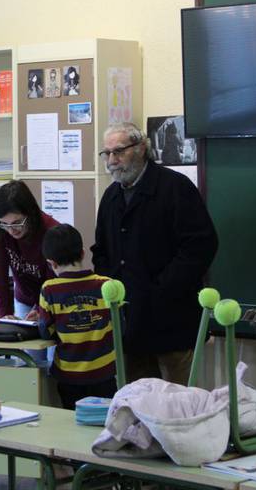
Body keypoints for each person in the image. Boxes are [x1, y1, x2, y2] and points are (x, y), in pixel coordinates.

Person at [91, 122, 218, 385]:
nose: (112, 160)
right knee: (138, 406)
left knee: (180, 406)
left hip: (174, 321)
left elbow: (200, 246)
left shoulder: (175, 187)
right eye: (107, 153)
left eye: (119, 152)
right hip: (130, 326)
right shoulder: (111, 197)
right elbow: (101, 250)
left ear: (140, 148)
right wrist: (111, 284)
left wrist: (158, 289)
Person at [39, 224, 117, 409]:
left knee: (73, 421)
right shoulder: (107, 285)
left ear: (52, 263)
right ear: (83, 253)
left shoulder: (49, 289)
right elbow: (120, 326)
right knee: (104, 422)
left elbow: (46, 332)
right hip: (104, 373)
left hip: (69, 375)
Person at [0, 180, 59, 319]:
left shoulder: (51, 232)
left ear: (31, 214)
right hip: (23, 296)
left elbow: (53, 282)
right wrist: (4, 315)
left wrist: (41, 310)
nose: (11, 231)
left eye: (17, 223)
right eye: (5, 224)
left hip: (51, 298)